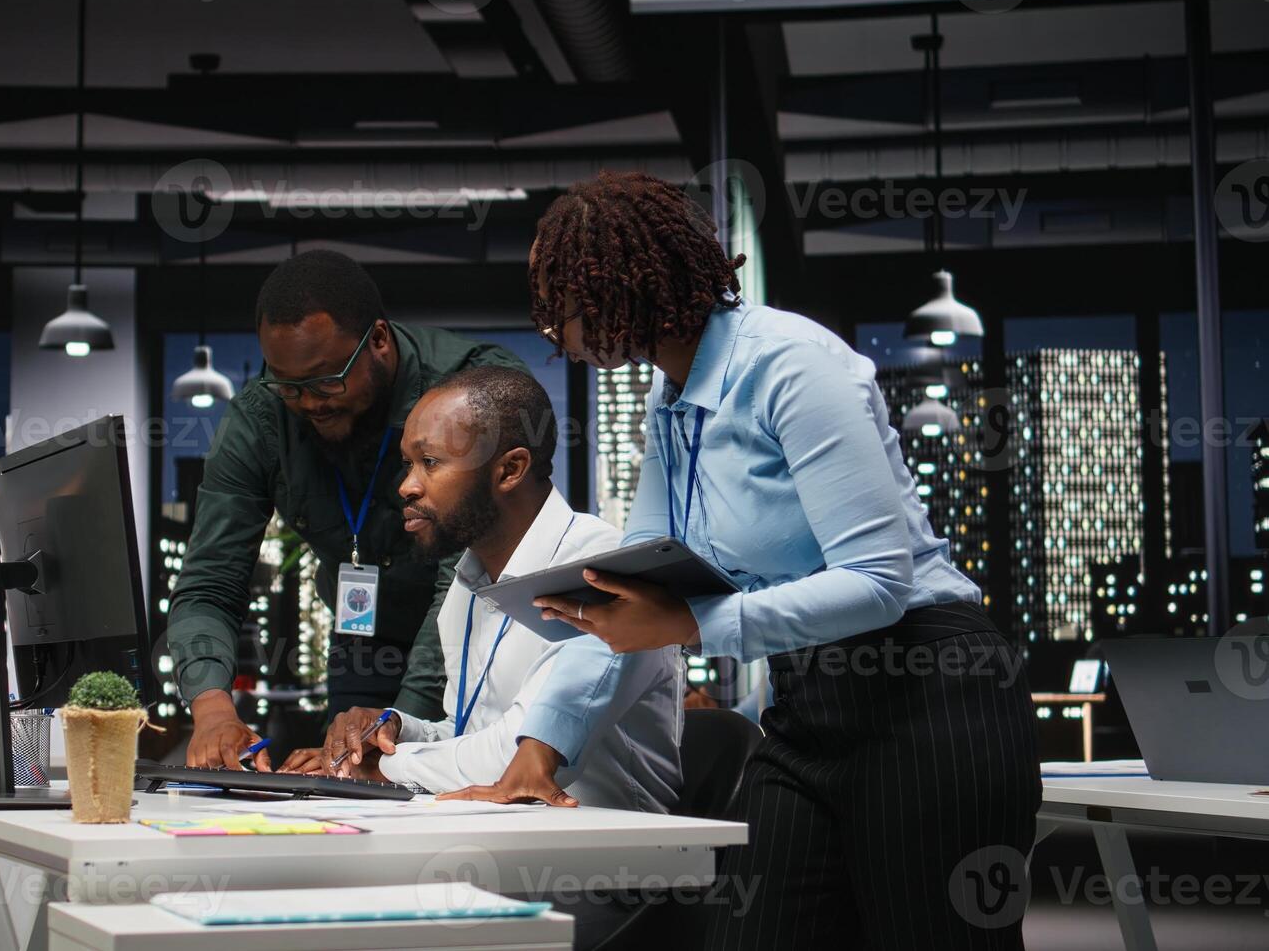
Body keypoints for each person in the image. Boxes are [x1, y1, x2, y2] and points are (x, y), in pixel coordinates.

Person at [451, 171, 1040, 950]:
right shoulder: (671, 405)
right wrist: (541, 752)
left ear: (628, 281)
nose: (553, 322)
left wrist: (692, 623)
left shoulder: (791, 364)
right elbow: (638, 594)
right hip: (806, 703)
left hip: (927, 690)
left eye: (564, 293)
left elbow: (878, 583)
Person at [167, 249, 526, 771]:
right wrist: (213, 708)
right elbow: (209, 581)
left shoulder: (468, 390)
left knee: (458, 790)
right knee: (353, 795)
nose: (309, 402)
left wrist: (390, 737)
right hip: (363, 638)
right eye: (288, 385)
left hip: (476, 631)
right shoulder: (261, 418)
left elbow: (465, 580)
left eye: (326, 380)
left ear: (378, 340)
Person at [282, 366, 683, 812]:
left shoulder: (596, 568)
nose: (406, 487)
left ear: (509, 469)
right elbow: (467, 734)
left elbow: (519, 754)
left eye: (429, 462)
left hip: (609, 860)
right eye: (407, 464)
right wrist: (394, 731)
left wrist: (379, 769)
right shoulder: (466, 585)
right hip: (503, 839)